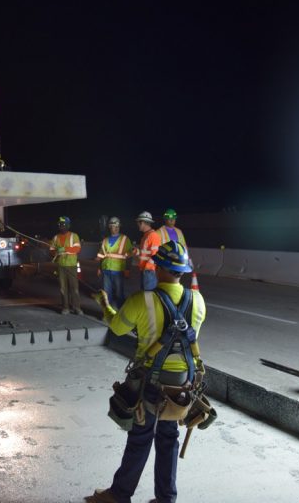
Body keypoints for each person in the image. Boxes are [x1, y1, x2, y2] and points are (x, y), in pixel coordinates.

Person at [87, 241, 206, 503]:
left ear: (158, 267)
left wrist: (105, 304)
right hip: (182, 385)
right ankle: (166, 499)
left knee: (140, 437)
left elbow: (117, 327)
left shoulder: (142, 300)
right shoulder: (197, 300)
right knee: (168, 438)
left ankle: (119, 496)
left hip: (150, 383)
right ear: (183, 271)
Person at [96, 216, 132, 309]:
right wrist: (99, 268)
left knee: (119, 294)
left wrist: (127, 269)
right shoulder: (105, 240)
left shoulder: (125, 239)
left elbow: (129, 256)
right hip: (106, 270)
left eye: (117, 227)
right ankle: (108, 313)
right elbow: (101, 255)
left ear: (119, 227)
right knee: (106, 294)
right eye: (113, 226)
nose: (115, 228)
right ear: (109, 227)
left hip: (118, 271)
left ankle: (121, 313)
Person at [50, 215, 82, 315]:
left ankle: (76, 307)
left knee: (74, 288)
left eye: (63, 224)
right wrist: (55, 251)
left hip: (71, 265)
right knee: (63, 288)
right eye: (60, 224)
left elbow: (77, 249)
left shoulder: (74, 236)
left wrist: (64, 249)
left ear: (68, 225)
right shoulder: (55, 237)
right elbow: (51, 250)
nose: (61, 226)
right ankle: (65, 307)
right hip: (61, 266)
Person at [134, 211, 161, 291]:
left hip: (149, 271)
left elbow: (155, 255)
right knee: (144, 294)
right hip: (144, 269)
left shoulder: (153, 235)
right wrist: (136, 251)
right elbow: (145, 253)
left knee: (148, 296)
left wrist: (147, 268)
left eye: (138, 223)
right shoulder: (145, 236)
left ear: (142, 222)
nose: (137, 225)